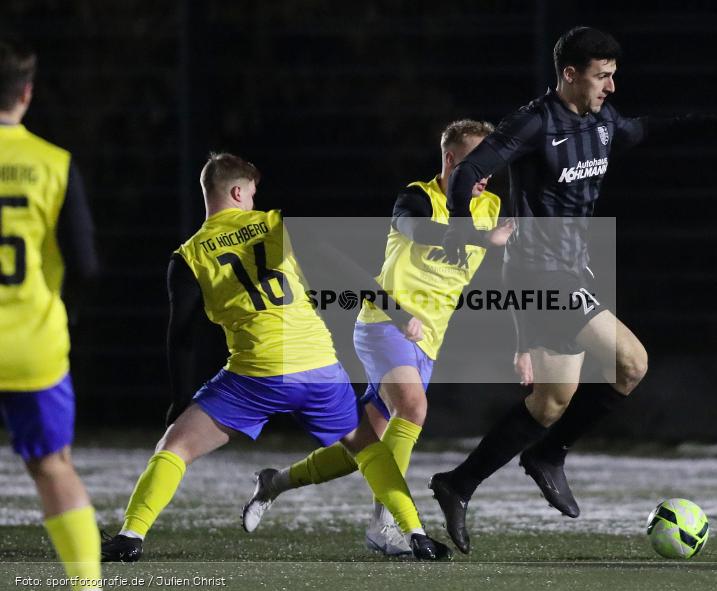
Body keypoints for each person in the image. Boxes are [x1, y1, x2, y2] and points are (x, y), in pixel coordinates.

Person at [100, 152, 451, 562]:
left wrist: (180, 401)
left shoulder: (188, 257)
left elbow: (181, 337)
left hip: (254, 377)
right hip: (318, 368)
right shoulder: (274, 224)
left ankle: (131, 535)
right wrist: (396, 311)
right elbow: (341, 267)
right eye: (250, 193)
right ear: (237, 191)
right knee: (369, 449)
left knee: (174, 447)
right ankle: (415, 532)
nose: (253, 200)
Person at [240, 120, 512, 556]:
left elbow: (511, 266)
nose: (486, 172)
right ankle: (386, 526)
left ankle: (274, 482)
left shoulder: (493, 205)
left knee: (363, 448)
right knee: (414, 405)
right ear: (449, 160)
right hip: (385, 322)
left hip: (429, 340)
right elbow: (413, 230)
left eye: (492, 163)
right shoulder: (417, 197)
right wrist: (482, 238)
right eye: (477, 162)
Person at [429, 26, 653, 554]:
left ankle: (458, 483)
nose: (611, 86)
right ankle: (549, 455)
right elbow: (470, 170)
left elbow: (639, 129)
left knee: (551, 401)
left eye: (614, 76)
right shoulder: (535, 120)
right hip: (541, 275)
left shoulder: (599, 122)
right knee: (632, 363)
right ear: (570, 74)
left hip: (564, 273)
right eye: (603, 76)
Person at [0, 39, 104, 591]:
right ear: (27, 92)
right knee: (52, 466)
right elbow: (85, 264)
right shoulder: (54, 163)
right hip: (32, 343)